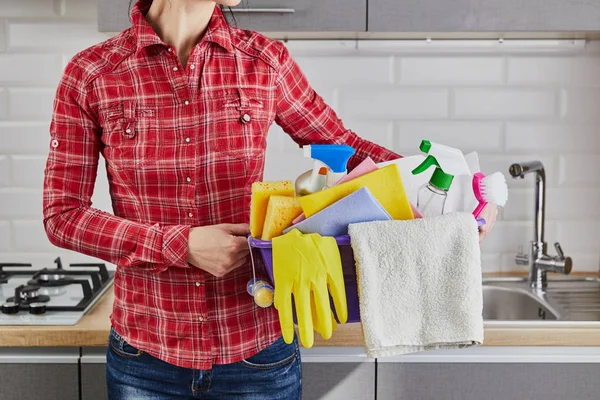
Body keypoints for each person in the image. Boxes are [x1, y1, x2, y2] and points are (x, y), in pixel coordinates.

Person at [43, 0, 497, 398]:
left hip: (257, 355)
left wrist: (458, 192)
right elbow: (62, 215)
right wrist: (180, 245)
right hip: (145, 358)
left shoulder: (264, 60)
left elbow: (347, 148)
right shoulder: (92, 74)